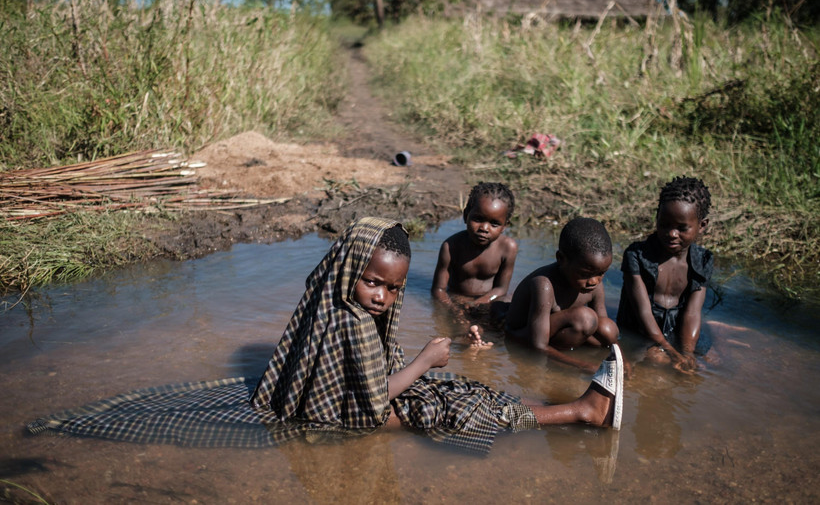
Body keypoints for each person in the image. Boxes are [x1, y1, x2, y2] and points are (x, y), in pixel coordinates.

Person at [28, 217, 624, 454]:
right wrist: (426, 357)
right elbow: (370, 400)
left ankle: (581, 410)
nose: (383, 297)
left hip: (354, 401)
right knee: (457, 410)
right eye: (373, 284)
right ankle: (581, 413)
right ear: (348, 274)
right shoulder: (350, 321)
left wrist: (434, 359)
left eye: (391, 290)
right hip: (356, 415)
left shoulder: (335, 305)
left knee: (462, 394)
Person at [617, 176, 714, 373]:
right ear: (657, 217)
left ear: (702, 225)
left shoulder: (702, 261)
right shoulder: (636, 256)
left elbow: (693, 313)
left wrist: (687, 354)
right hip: (639, 332)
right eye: (665, 224)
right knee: (655, 361)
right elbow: (643, 312)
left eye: (682, 228)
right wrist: (670, 351)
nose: (671, 233)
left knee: (702, 368)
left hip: (673, 334)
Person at [502, 217, 621, 374]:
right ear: (561, 259)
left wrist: (621, 361)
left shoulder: (595, 284)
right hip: (523, 336)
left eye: (601, 273)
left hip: (558, 332)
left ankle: (563, 355)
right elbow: (538, 345)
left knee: (608, 330)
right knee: (585, 319)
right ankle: (559, 365)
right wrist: (581, 365)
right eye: (585, 274)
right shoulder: (544, 285)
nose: (594, 281)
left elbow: (602, 327)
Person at [431, 183, 518, 346]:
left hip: (488, 303)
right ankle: (467, 341)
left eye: (494, 224)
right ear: (466, 215)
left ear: (505, 225)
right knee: (462, 326)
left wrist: (480, 303)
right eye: (478, 219)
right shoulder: (451, 246)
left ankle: (486, 344)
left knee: (502, 321)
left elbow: (501, 289)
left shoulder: (508, 248)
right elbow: (438, 289)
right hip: (457, 302)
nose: (484, 228)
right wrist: (453, 308)